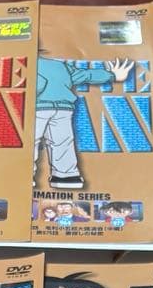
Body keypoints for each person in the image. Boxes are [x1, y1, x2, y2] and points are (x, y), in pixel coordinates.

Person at [35, 54, 134, 189]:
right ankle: (66, 176)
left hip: (38, 107)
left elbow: (38, 84)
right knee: (63, 141)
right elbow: (86, 75)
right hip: (64, 107)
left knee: (31, 141)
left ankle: (23, 173)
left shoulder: (26, 62)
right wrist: (112, 75)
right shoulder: (60, 65)